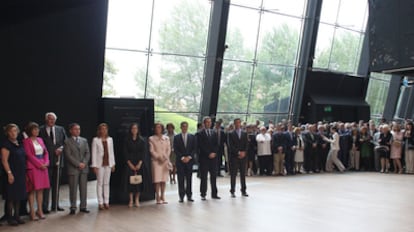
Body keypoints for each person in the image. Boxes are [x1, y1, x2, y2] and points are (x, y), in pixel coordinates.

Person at [39, 112, 67, 213]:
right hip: (46, 161)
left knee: (56, 184)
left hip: (58, 160)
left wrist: (61, 148)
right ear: (46, 120)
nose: (51, 121)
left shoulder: (61, 129)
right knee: (46, 185)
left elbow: (65, 142)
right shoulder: (41, 129)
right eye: (49, 119)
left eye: (53, 119)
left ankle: (55, 205)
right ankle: (44, 207)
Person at [22, 122, 50, 221]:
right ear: (30, 131)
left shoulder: (40, 139)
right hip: (33, 167)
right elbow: (29, 155)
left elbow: (46, 152)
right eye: (34, 129)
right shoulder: (26, 141)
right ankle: (32, 212)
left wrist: (46, 162)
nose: (37, 131)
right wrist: (39, 164)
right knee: (32, 190)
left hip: (43, 166)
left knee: (41, 190)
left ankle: (40, 210)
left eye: (37, 129)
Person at [1, 124, 27, 226]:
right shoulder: (6, 145)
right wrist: (9, 173)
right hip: (11, 173)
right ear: (7, 133)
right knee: (11, 197)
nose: (13, 133)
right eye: (11, 131)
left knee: (18, 196)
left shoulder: (19, 143)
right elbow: (4, 161)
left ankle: (17, 216)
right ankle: (10, 218)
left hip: (20, 173)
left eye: (15, 131)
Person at [64, 123, 91, 215]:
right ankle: (73, 207)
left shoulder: (84, 140)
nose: (77, 131)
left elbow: (87, 153)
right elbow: (68, 155)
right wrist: (78, 164)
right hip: (73, 168)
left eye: (79, 129)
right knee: (73, 188)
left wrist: (84, 163)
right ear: (71, 131)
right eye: (75, 129)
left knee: (83, 188)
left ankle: (83, 206)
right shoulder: (67, 141)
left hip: (84, 168)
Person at [91, 123, 116, 210]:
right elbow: (93, 153)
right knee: (99, 183)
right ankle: (100, 202)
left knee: (106, 183)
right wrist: (94, 165)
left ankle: (106, 201)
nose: (104, 130)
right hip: (99, 164)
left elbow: (111, 152)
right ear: (99, 130)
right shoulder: (96, 140)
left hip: (108, 163)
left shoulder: (110, 139)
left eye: (105, 129)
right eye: (102, 129)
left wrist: (113, 164)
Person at [197, 117, 220, 200]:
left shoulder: (214, 132)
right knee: (204, 177)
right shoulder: (199, 133)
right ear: (204, 123)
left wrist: (214, 153)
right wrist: (208, 153)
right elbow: (200, 146)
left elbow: (216, 144)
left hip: (213, 158)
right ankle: (203, 194)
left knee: (214, 176)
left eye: (210, 122)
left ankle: (214, 194)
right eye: (207, 122)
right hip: (204, 158)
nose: (208, 124)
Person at [124, 123, 146, 207]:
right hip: (130, 163)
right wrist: (129, 163)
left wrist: (140, 163)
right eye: (133, 128)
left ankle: (137, 199)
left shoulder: (142, 140)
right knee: (130, 182)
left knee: (138, 182)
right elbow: (125, 152)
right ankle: (131, 200)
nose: (134, 130)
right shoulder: (127, 140)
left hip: (139, 163)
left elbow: (143, 152)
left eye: (136, 128)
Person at [174, 121, 196, 203]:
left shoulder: (192, 137)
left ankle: (189, 196)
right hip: (180, 161)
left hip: (189, 161)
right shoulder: (177, 137)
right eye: (183, 126)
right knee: (181, 179)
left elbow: (194, 148)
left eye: (186, 126)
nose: (184, 128)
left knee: (189, 179)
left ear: (187, 127)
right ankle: (181, 196)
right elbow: (175, 149)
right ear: (181, 127)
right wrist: (182, 157)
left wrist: (189, 157)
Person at [149, 123, 171, 204]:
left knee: (164, 180)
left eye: (160, 127)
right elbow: (151, 150)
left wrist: (165, 157)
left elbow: (169, 149)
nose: (158, 129)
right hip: (156, 161)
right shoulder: (151, 138)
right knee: (157, 180)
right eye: (157, 127)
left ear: (162, 128)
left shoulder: (166, 138)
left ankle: (163, 196)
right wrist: (158, 157)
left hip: (165, 161)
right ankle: (157, 196)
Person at [227, 118, 249, 198]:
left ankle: (243, 191)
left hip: (243, 157)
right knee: (233, 174)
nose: (238, 124)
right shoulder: (230, 134)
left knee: (243, 174)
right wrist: (238, 152)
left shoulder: (244, 133)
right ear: (234, 124)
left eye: (239, 123)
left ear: (241, 124)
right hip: (234, 157)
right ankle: (232, 191)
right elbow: (230, 146)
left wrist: (244, 152)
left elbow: (246, 144)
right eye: (236, 123)